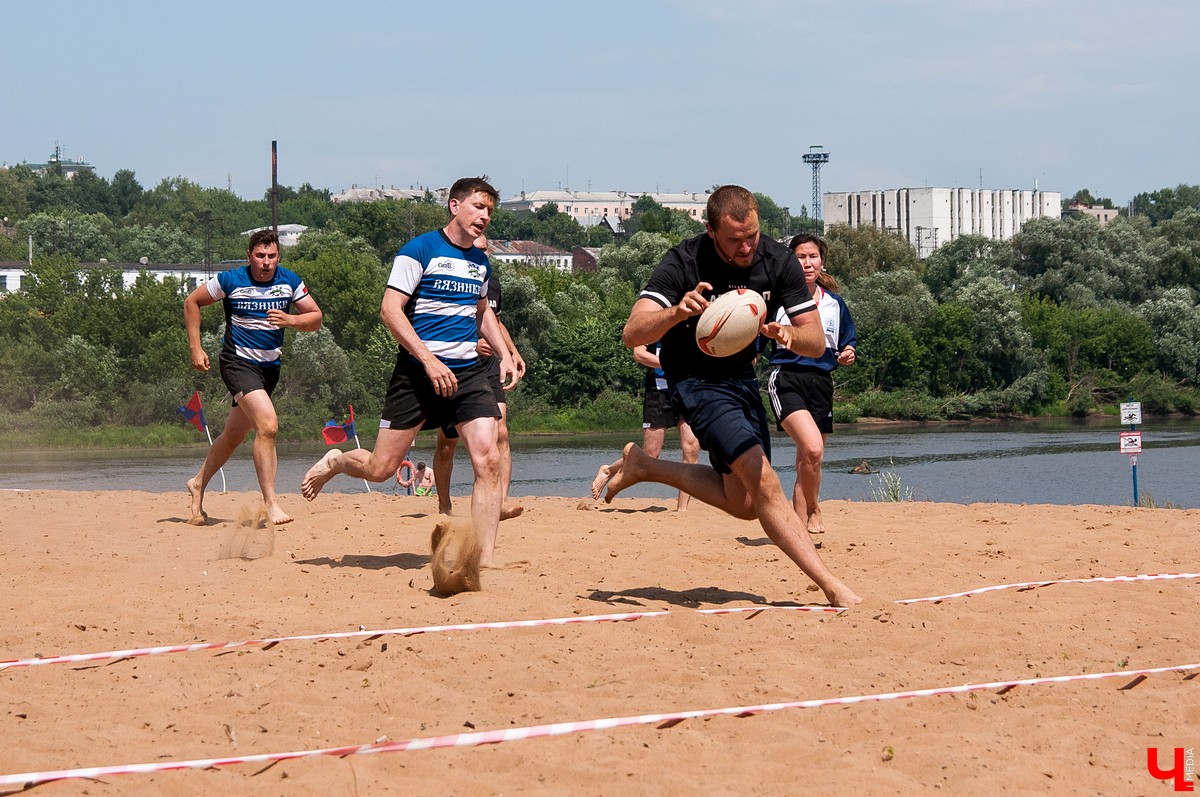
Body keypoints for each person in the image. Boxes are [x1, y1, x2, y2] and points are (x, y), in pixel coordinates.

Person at [596, 185, 861, 608]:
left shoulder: (778, 260)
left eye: (752, 235)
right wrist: (676, 313)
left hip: (741, 378)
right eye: (735, 239)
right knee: (765, 481)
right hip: (694, 382)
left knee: (745, 503)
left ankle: (646, 466)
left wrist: (788, 334)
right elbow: (632, 333)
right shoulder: (683, 261)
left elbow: (815, 342)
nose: (746, 247)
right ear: (711, 230)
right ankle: (832, 586)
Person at [301, 177, 517, 567]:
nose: (484, 216)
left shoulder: (481, 262)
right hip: (417, 374)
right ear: (455, 206)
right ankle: (337, 460)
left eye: (489, 210)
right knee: (381, 469)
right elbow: (390, 310)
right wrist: (429, 360)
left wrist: (503, 353)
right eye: (478, 207)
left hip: (467, 373)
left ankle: (483, 559)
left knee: (488, 459)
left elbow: (483, 312)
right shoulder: (419, 250)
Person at [184, 229, 323, 526]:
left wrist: (291, 319)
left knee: (234, 435)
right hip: (237, 363)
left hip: (269, 369)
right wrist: (196, 348)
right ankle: (271, 502)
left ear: (279, 256)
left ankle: (197, 483)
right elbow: (191, 302)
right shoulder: (231, 280)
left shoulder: (289, 281)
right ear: (249, 256)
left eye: (272, 256)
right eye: (260, 256)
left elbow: (316, 318)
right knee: (268, 426)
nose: (266, 262)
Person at [766, 234, 856, 542]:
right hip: (787, 378)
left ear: (822, 262)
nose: (807, 263)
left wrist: (848, 353)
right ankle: (814, 508)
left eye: (813, 257)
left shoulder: (835, 303)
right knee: (812, 448)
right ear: (790, 262)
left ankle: (799, 526)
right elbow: (753, 336)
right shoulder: (776, 300)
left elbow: (847, 342)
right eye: (800, 257)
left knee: (810, 459)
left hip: (821, 383)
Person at [433, 235, 526, 519]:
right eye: (479, 249)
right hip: (457, 365)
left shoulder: (490, 281)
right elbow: (442, 323)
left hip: (487, 367)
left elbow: (494, 320)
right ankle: (444, 505)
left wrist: (511, 353)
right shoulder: (449, 279)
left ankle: (500, 502)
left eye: (487, 250)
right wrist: (473, 345)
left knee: (502, 432)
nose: (484, 254)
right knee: (447, 444)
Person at [591, 341, 700, 511]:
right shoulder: (651, 327)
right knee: (650, 455)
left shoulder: (690, 326)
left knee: (691, 448)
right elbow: (639, 354)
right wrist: (671, 364)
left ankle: (682, 509)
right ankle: (608, 470)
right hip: (658, 391)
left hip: (686, 389)